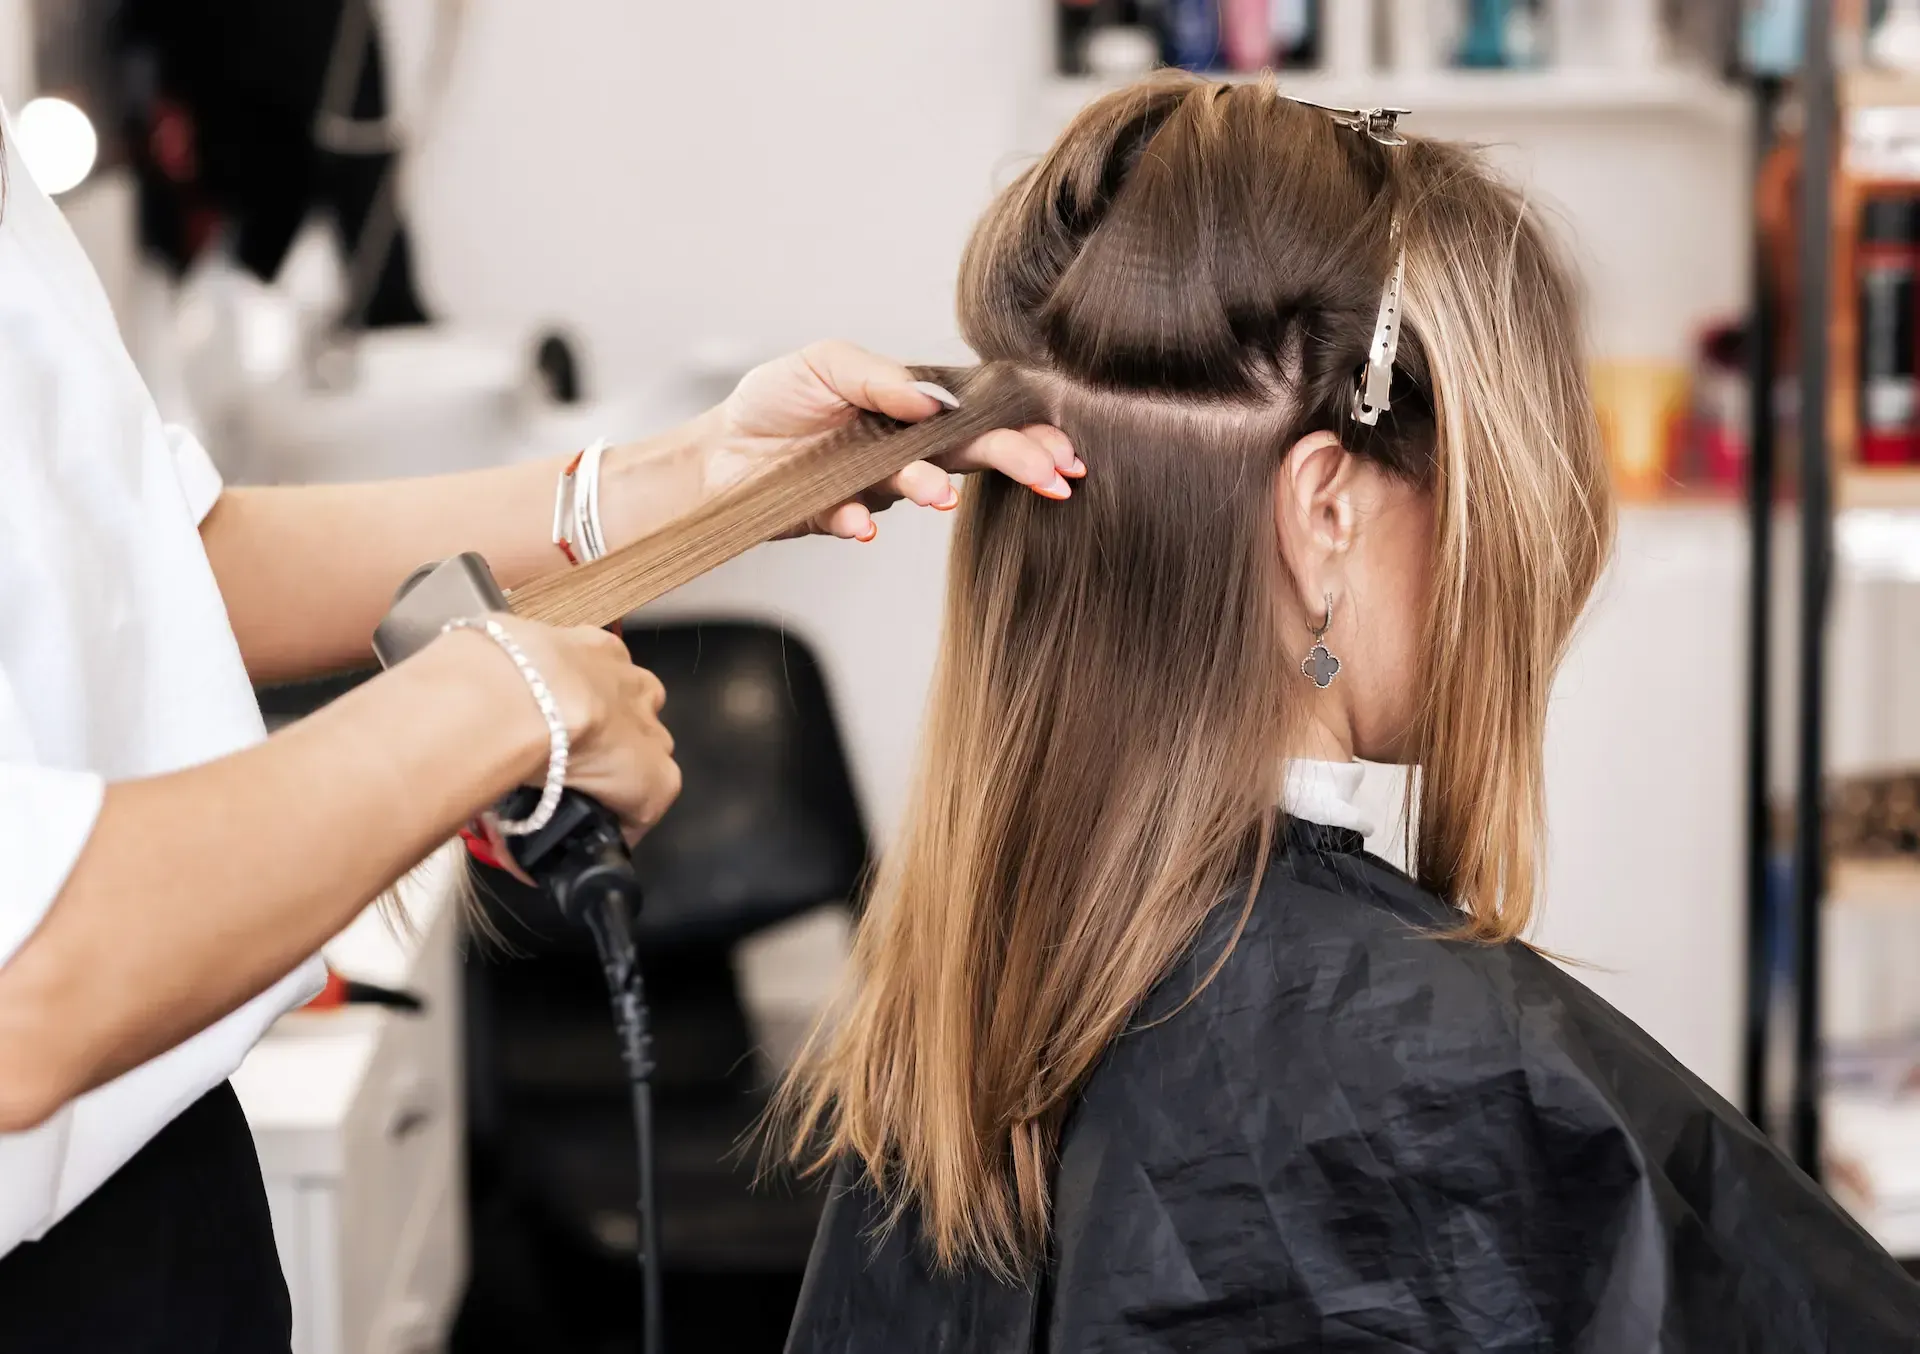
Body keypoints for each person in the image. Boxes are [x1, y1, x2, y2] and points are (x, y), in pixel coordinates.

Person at [771, 73, 1920, 1351]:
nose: (1539, 576)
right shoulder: (1436, 1073)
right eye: (1503, 489)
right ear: (1328, 511)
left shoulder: (966, 995)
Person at [0, 111, 1078, 1349]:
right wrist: (489, 704)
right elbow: (20, 982)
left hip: (166, 1181)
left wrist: (697, 476)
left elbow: (146, 565)